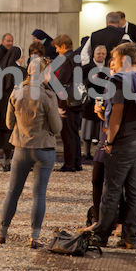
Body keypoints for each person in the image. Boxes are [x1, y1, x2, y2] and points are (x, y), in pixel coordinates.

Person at [0, 57, 62, 248]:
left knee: (12, 192)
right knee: (39, 193)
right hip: (43, 148)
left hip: (20, 147)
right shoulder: (48, 96)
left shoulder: (17, 91)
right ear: (44, 74)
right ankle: (34, 237)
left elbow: (9, 124)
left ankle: (1, 233)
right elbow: (57, 127)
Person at [91, 43, 136, 249]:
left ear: (125, 60)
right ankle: (129, 237)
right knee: (135, 189)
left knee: (112, 189)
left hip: (125, 141)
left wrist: (109, 141)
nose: (113, 63)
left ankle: (101, 236)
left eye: (115, 58)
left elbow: (116, 115)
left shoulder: (119, 81)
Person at [52, 34, 83, 172]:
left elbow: (61, 82)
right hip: (77, 101)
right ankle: (77, 162)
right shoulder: (76, 57)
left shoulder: (66, 60)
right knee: (75, 133)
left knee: (68, 134)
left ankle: (69, 163)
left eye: (58, 47)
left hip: (68, 102)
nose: (57, 51)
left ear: (64, 46)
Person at [0, 46, 26, 171]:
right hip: (16, 106)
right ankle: (18, 161)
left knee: (6, 134)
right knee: (17, 133)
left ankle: (6, 162)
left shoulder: (1, 69)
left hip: (2, 106)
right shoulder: (21, 71)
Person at [81, 45, 108, 160]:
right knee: (88, 128)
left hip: (104, 99)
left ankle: (100, 151)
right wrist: (90, 80)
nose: (101, 56)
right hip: (90, 101)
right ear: (94, 54)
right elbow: (80, 84)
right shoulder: (86, 68)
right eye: (98, 54)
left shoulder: (108, 67)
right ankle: (86, 152)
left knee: (101, 128)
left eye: (103, 54)